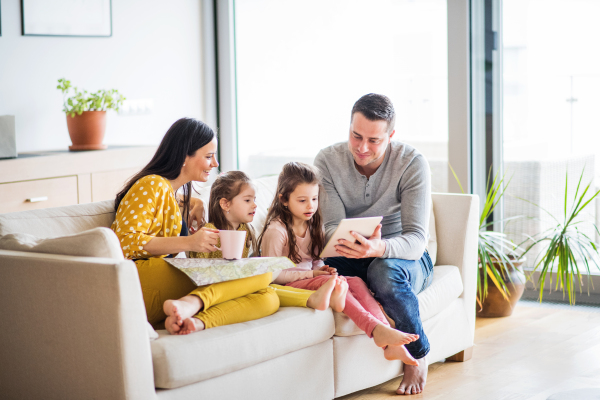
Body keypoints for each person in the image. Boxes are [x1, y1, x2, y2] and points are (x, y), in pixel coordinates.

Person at [111, 117, 279, 335]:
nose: (215, 163)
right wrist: (190, 242)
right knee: (262, 273)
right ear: (183, 156)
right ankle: (193, 303)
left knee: (268, 298)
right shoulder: (151, 184)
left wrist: (194, 201)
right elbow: (124, 243)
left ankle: (196, 320)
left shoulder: (168, 192)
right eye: (208, 156)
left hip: (159, 288)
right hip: (139, 282)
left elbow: (165, 201)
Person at [313, 94, 434, 395]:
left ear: (391, 136)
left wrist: (379, 248)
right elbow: (330, 227)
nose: (362, 148)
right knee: (320, 271)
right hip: (351, 253)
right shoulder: (327, 161)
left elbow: (417, 240)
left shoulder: (412, 163)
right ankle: (381, 332)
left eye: (374, 140)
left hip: (404, 260)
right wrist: (353, 246)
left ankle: (418, 355)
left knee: (383, 271)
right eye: (356, 136)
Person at [258, 162, 420, 365]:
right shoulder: (276, 231)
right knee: (337, 284)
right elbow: (273, 275)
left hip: (312, 280)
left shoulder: (314, 225)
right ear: (284, 200)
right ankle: (377, 330)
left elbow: (315, 261)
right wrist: (313, 275)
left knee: (356, 282)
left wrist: (321, 269)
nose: (310, 206)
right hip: (289, 285)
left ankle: (390, 342)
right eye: (302, 200)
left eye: (315, 199)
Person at [188, 169, 341, 310]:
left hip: (239, 285)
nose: (255, 205)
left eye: (254, 199)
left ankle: (312, 298)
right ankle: (311, 299)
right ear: (225, 204)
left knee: (269, 296)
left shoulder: (245, 230)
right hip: (217, 288)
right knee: (268, 289)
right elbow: (199, 274)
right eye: (248, 200)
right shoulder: (208, 232)